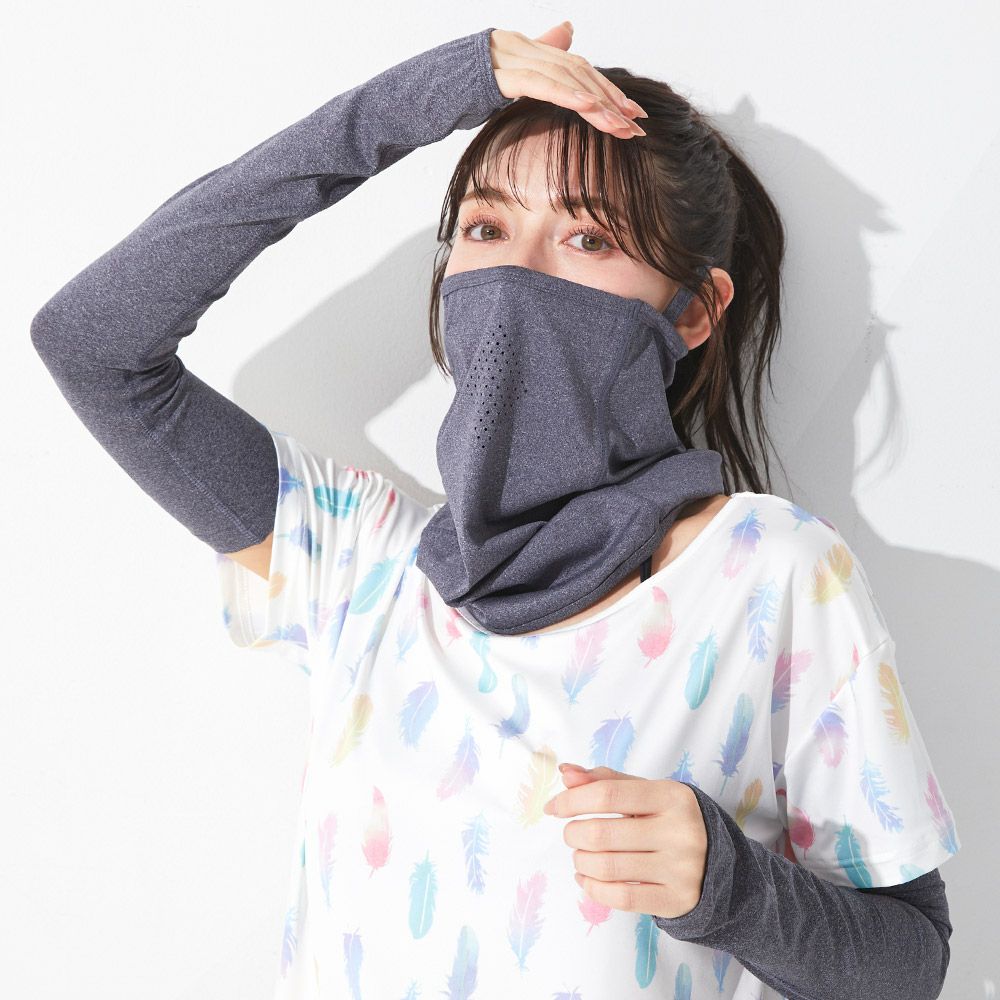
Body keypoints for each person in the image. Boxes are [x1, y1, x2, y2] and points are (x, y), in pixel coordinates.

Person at [31, 21, 960, 999]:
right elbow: (94, 344)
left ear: (692, 311)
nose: (519, 274)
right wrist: (427, 96)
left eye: (589, 237)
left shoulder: (768, 572)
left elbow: (911, 963)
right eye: (485, 228)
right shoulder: (360, 562)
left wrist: (730, 889)